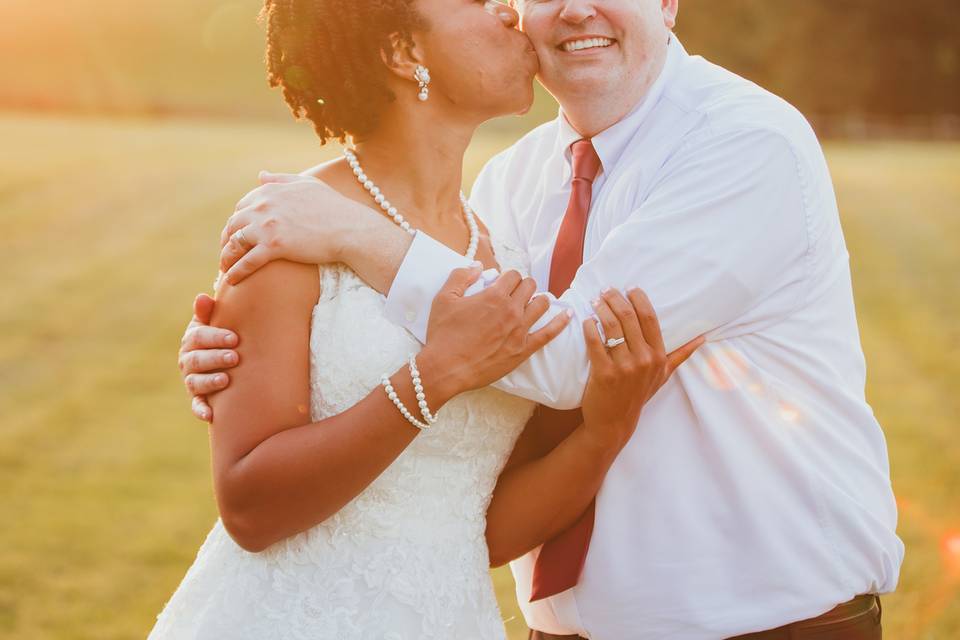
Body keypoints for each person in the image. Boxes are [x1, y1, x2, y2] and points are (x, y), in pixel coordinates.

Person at [181, 1, 905, 638]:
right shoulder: (509, 186)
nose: (575, 9)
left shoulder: (746, 143)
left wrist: (356, 239)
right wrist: (245, 346)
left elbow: (568, 362)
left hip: (766, 626)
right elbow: (480, 434)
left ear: (668, 2)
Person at [154, 1, 699, 638]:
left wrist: (603, 434)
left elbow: (476, 529)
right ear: (403, 52)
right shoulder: (289, 228)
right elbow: (250, 509)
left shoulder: (503, 250)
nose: (507, 11)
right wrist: (434, 375)